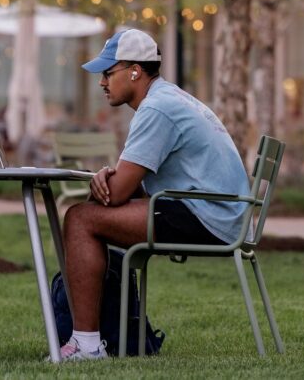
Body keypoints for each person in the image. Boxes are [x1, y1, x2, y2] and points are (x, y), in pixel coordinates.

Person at [60, 29, 250, 361]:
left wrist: (108, 179)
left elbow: (117, 192)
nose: (102, 82)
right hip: (223, 212)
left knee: (80, 220)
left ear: (134, 71)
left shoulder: (157, 109)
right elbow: (127, 183)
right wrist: (110, 176)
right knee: (89, 216)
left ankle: (86, 345)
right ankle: (99, 336)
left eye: (108, 72)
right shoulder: (169, 98)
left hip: (208, 215)